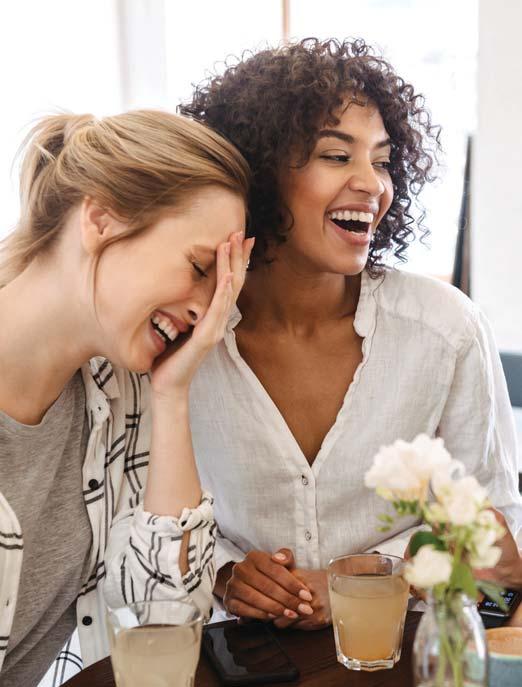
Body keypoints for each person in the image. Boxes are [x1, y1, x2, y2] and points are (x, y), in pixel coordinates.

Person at [180, 38, 522, 630]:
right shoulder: (183, 336)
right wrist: (225, 574)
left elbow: (500, 551)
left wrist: (368, 578)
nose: (372, 184)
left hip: (409, 652)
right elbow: (134, 514)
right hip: (238, 655)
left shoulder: (445, 330)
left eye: (382, 161)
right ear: (259, 174)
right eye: (337, 156)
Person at [0, 109, 254, 687]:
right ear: (101, 218)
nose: (204, 313)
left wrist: (172, 395)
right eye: (198, 268)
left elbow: (166, 619)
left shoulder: (118, 395)